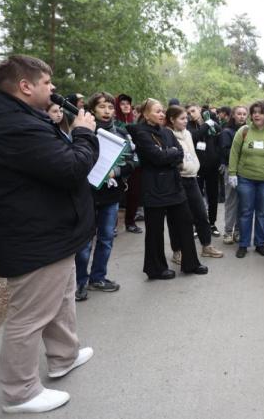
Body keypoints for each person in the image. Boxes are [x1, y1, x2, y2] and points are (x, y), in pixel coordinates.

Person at [0, 55, 96, 413]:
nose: (53, 89)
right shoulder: (13, 126)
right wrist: (84, 133)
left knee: (61, 300)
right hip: (32, 238)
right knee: (30, 316)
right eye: (46, 83)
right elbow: (70, 168)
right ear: (25, 86)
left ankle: (63, 356)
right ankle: (20, 392)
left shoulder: (21, 119)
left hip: (50, 231)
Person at [127, 99, 207, 279]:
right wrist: (168, 154)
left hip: (174, 185)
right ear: (146, 114)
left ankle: (191, 263)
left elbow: (179, 154)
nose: (162, 114)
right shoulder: (141, 133)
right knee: (155, 230)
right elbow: (157, 157)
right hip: (154, 188)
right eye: (157, 111)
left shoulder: (166, 132)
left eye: (162, 111)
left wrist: (167, 154)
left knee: (186, 223)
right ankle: (156, 269)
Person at [74, 92, 138, 301]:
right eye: (102, 107)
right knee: (84, 242)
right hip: (86, 194)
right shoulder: (83, 131)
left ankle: (98, 278)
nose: (107, 111)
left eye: (110, 107)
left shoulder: (121, 132)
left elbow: (134, 160)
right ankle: (79, 282)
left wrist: (115, 172)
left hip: (111, 194)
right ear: (93, 109)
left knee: (106, 238)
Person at [166, 105, 223, 262]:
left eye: (187, 117)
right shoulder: (168, 134)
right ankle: (177, 251)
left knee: (201, 214)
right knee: (177, 218)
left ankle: (206, 246)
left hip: (192, 178)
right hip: (177, 180)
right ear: (172, 119)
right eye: (182, 118)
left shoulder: (187, 133)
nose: (186, 120)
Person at [228, 101, 264, 258]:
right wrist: (232, 173)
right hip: (245, 179)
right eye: (254, 112)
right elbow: (234, 152)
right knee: (245, 212)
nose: (257, 115)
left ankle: (260, 244)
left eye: (260, 112)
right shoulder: (244, 131)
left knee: (263, 213)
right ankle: (243, 244)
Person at [186, 104, 222, 237]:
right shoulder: (189, 125)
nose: (191, 114)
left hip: (213, 167)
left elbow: (219, 133)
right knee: (197, 198)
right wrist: (206, 125)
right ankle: (197, 224)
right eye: (188, 112)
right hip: (197, 168)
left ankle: (212, 223)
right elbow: (194, 136)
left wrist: (210, 123)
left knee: (213, 196)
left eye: (193, 111)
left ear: (200, 110)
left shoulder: (211, 120)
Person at [115, 93, 143, 234]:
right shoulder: (114, 123)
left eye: (128, 104)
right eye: (122, 104)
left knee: (134, 194)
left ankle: (130, 222)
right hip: (119, 163)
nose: (126, 106)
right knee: (116, 194)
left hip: (135, 163)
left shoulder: (136, 122)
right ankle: (112, 226)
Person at [219, 106, 248, 244]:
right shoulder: (227, 132)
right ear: (233, 115)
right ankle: (228, 231)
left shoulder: (249, 131)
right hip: (230, 168)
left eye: (244, 114)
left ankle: (238, 231)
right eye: (239, 113)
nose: (242, 116)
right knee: (231, 201)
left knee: (243, 203)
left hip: (246, 170)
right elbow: (225, 152)